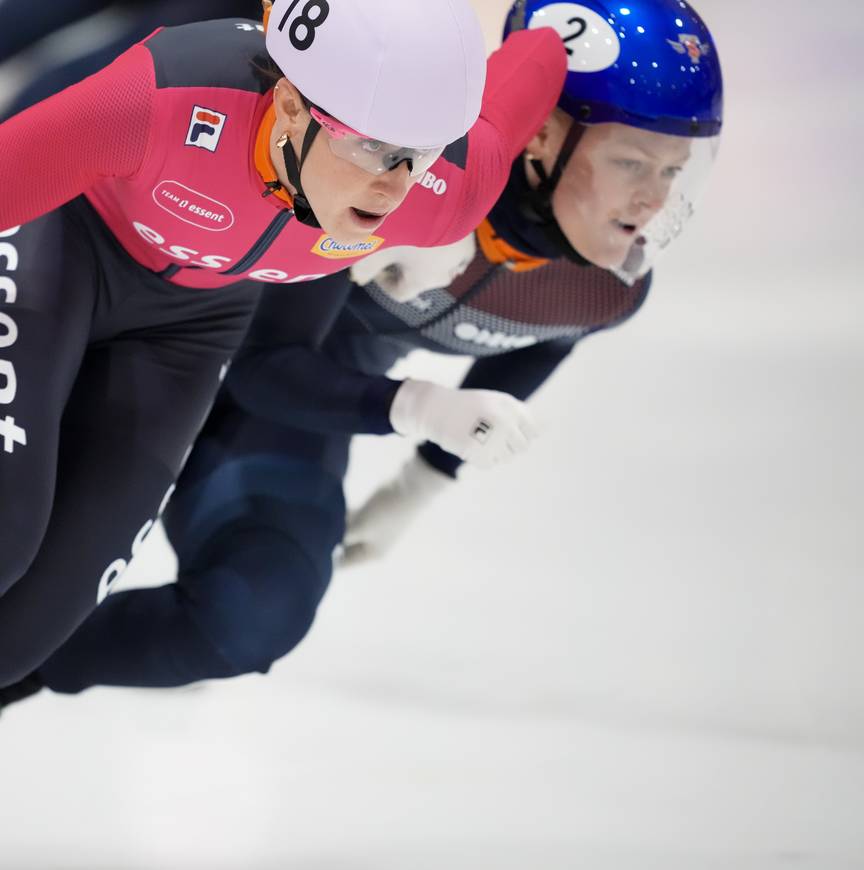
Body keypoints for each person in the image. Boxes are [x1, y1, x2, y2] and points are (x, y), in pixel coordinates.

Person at [0, 0, 722, 706]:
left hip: (191, 326)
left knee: (24, 639)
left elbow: (530, 66)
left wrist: (565, 28)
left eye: (421, 155)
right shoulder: (168, 100)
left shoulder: (444, 198)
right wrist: (412, 406)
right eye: (374, 149)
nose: (393, 186)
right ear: (289, 110)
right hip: (64, 253)